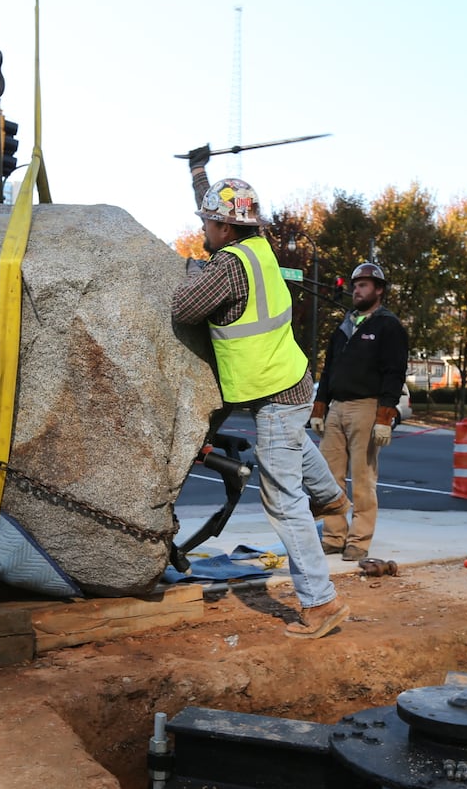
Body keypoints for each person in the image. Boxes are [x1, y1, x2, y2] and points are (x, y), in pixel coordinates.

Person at [171, 167, 349, 639]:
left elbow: (184, 308)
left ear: (225, 228)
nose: (204, 229)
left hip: (272, 391)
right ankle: (332, 496)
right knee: (293, 444)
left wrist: (188, 275)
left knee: (283, 501)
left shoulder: (229, 264)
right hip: (290, 379)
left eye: (208, 223)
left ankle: (320, 601)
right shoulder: (259, 250)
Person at [309, 261, 409, 561]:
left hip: (367, 407)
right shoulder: (344, 327)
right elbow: (328, 371)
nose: (356, 289)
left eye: (364, 285)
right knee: (329, 478)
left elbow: (395, 373)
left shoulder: (388, 326)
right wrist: (319, 407)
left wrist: (385, 416)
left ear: (379, 290)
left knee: (363, 479)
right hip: (336, 409)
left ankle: (359, 541)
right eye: (355, 285)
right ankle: (333, 536)